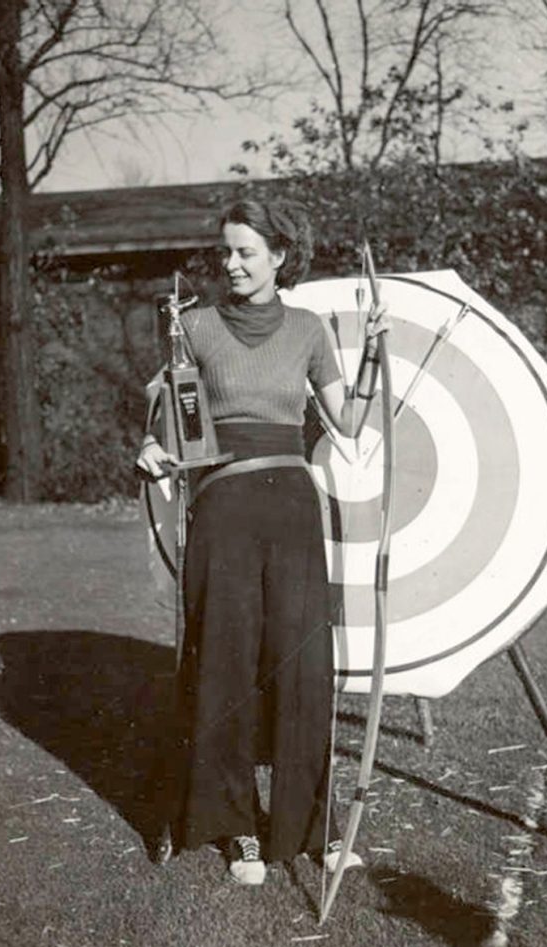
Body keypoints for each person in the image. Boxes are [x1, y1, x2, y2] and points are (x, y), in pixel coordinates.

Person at [136, 195, 387, 885]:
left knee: (302, 665)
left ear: (280, 255)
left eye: (247, 251)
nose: (232, 263)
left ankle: (310, 825)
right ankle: (237, 826)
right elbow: (173, 426)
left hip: (293, 509)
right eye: (226, 251)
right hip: (224, 507)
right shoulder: (196, 328)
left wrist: (372, 357)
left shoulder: (308, 329)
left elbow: (350, 424)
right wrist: (152, 450)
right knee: (228, 660)